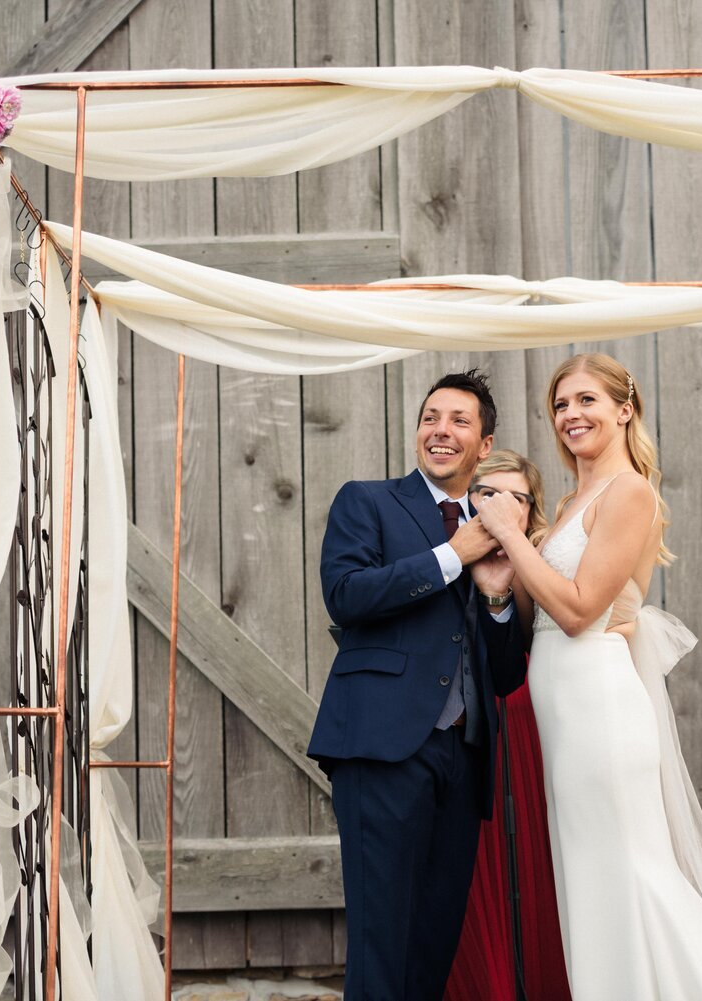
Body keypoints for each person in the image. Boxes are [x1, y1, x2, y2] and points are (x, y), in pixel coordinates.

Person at [476, 353, 702, 1000]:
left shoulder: (630, 492)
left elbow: (577, 610)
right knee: (591, 882)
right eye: (561, 405)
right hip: (563, 714)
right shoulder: (572, 501)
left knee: (630, 875)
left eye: (587, 400)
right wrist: (496, 590)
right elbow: (558, 608)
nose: (571, 415)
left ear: (625, 408)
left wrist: (510, 534)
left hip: (600, 709)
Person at [308, 370, 527, 1001]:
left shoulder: (498, 524)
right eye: (432, 417)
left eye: (460, 421)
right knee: (381, 939)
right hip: (381, 747)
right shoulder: (368, 501)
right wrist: (453, 555)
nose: (441, 430)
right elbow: (346, 596)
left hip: (464, 754)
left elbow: (507, 674)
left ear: (484, 444)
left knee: (434, 941)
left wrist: (496, 601)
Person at [445, 450, 573, 1001]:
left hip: (529, 719)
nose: (498, 507)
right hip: (458, 731)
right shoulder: (443, 557)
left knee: (543, 857)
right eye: (485, 493)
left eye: (514, 497)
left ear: (530, 511)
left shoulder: (545, 559)